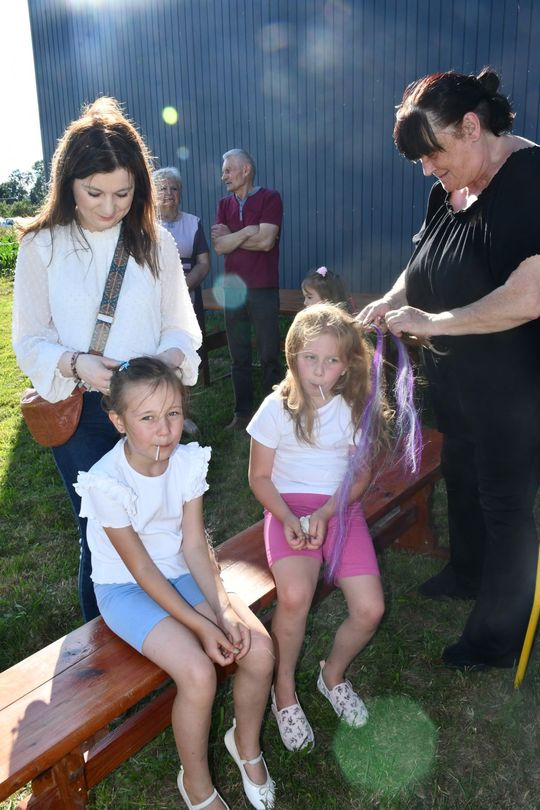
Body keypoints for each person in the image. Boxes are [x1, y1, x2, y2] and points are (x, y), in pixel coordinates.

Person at [359, 67, 540, 671]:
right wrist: (391, 300)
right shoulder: (447, 191)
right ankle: (466, 571)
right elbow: (420, 263)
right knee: (460, 474)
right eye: (421, 163)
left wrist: (433, 323)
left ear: (471, 126)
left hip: (517, 389)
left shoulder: (529, 179)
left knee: (505, 502)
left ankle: (497, 637)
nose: (429, 170)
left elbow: (528, 295)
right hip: (459, 382)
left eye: (434, 154)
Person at [12, 97, 202, 622]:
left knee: (158, 525)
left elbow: (182, 327)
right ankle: (103, 659)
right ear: (67, 182)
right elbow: (29, 340)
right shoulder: (41, 246)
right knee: (99, 532)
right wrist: (75, 363)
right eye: (94, 192)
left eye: (123, 193)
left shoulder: (155, 242)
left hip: (150, 409)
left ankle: (162, 634)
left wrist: (164, 362)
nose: (109, 206)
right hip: (83, 412)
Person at [74, 357, 275, 810]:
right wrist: (201, 627)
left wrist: (221, 609)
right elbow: (142, 571)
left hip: (180, 570)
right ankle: (197, 785)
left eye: (173, 414)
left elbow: (193, 545)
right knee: (198, 674)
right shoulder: (106, 483)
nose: (164, 429)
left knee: (259, 651)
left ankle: (245, 746)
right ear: (118, 421)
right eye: (147, 418)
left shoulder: (186, 462)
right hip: (125, 588)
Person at [247, 304, 386, 751]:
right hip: (286, 509)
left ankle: (332, 675)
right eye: (311, 358)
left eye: (331, 361)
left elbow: (359, 476)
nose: (320, 370)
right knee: (294, 595)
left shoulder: (350, 407)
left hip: (340, 509)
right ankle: (282, 690)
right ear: (292, 356)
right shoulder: (275, 408)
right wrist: (289, 518)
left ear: (347, 366)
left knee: (370, 610)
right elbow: (259, 477)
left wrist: (326, 514)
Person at [211, 148, 283, 430]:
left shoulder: (270, 198)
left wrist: (232, 238)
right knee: (238, 355)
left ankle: (272, 416)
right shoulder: (223, 205)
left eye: (228, 170)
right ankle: (241, 414)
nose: (223, 176)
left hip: (263, 289)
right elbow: (219, 247)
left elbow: (266, 242)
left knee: (268, 355)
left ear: (246, 170)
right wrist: (245, 232)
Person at [154, 166, 211, 434]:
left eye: (173, 188)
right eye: (162, 188)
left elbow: (203, 264)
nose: (168, 194)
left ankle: (182, 413)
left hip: (186, 299)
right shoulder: (143, 223)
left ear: (181, 193)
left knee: (183, 354)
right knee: (155, 357)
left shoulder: (193, 223)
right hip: (152, 304)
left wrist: (181, 289)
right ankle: (154, 408)